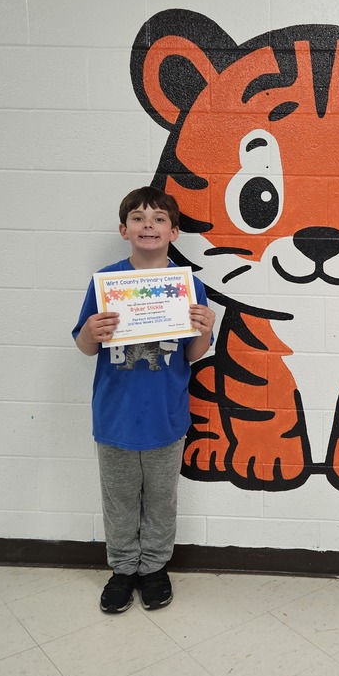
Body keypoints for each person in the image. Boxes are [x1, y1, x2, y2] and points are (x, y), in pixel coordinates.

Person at [73, 187, 215, 614]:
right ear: (124, 230)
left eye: (157, 219)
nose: (147, 225)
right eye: (138, 218)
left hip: (166, 417)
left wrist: (205, 328)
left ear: (173, 231)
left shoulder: (189, 286)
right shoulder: (105, 283)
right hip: (114, 416)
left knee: (160, 499)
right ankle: (122, 570)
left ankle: (153, 567)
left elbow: (193, 354)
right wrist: (90, 332)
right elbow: (84, 347)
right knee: (117, 499)